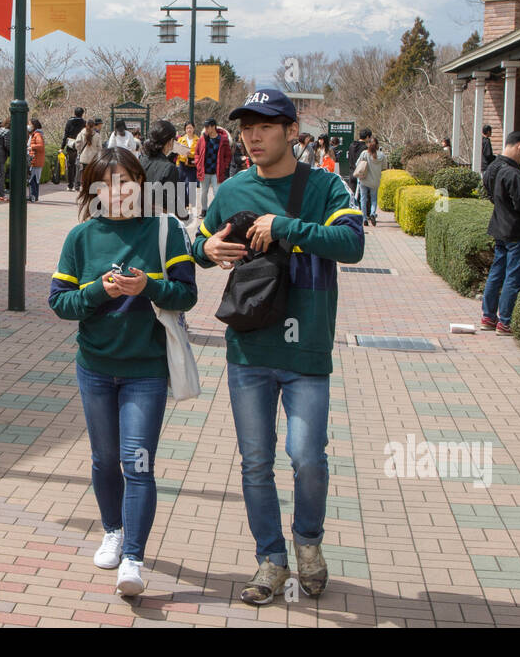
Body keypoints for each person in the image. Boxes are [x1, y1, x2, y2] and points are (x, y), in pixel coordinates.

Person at [193, 88, 364, 605]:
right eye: (246, 126)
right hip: (249, 348)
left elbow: (353, 244)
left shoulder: (326, 186)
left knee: (307, 455)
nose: (253, 135)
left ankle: (307, 544)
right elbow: (197, 247)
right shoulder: (231, 189)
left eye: (265, 125)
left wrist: (284, 226)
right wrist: (206, 248)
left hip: (307, 348)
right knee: (255, 461)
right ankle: (270, 558)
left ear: (291, 130)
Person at [49, 147, 197, 596]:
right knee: (103, 459)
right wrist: (98, 291)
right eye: (107, 184)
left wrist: (147, 286)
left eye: (126, 181)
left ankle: (132, 558)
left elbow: (185, 295)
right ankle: (111, 529)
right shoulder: (81, 238)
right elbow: (60, 302)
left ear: (141, 183)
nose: (118, 192)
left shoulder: (165, 230)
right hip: (94, 367)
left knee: (138, 463)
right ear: (93, 190)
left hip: (145, 371)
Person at [480, 130, 520, 335]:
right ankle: (505, 321)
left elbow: (493, 197)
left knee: (497, 272)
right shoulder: (512, 173)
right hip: (517, 231)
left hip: (500, 227)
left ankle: (488, 316)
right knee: (513, 276)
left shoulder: (492, 169)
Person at [139, 119, 182, 216]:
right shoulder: (169, 168)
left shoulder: (141, 160)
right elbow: (169, 205)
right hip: (156, 221)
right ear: (170, 141)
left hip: (137, 218)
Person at [193, 117, 231, 218]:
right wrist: (198, 163)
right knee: (203, 193)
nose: (205, 129)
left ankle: (215, 212)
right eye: (205, 127)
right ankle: (204, 210)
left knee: (217, 192)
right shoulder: (202, 139)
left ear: (213, 127)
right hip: (204, 170)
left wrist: (225, 165)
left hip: (217, 171)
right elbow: (196, 153)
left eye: (207, 127)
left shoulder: (222, 139)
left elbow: (228, 155)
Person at [355, 133, 388, 227]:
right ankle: (373, 214)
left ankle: (364, 218)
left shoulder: (364, 154)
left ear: (368, 144)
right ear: (377, 145)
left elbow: (358, 163)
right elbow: (384, 167)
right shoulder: (382, 155)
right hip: (375, 180)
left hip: (364, 179)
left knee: (363, 199)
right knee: (373, 199)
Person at [175, 121, 199, 214]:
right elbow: (177, 151)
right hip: (181, 164)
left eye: (190, 128)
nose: (189, 130)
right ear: (185, 129)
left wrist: (191, 154)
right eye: (187, 128)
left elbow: (199, 152)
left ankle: (190, 205)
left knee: (191, 184)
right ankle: (183, 204)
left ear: (194, 128)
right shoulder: (181, 139)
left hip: (192, 165)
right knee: (181, 184)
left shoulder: (198, 140)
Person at [63, 107, 87, 191]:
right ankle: (78, 184)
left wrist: (62, 147)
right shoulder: (84, 122)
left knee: (71, 164)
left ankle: (70, 184)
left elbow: (66, 134)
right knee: (79, 165)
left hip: (70, 145)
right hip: (81, 145)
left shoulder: (70, 121)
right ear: (82, 113)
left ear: (74, 113)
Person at [75, 119, 102, 188]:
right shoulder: (97, 135)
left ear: (86, 125)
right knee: (91, 173)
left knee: (84, 173)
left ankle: (84, 186)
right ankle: (90, 186)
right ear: (94, 126)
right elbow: (99, 148)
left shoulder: (81, 134)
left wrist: (80, 150)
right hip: (93, 158)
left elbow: (77, 144)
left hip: (83, 157)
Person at [27, 118, 45, 203]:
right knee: (34, 179)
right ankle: (34, 196)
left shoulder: (37, 135)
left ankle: (34, 196)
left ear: (33, 125)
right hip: (35, 159)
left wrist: (32, 147)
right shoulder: (34, 134)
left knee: (33, 179)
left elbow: (40, 146)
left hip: (35, 160)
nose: (28, 126)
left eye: (29, 124)